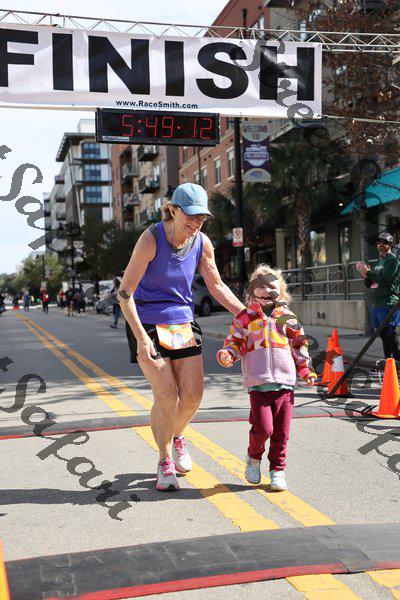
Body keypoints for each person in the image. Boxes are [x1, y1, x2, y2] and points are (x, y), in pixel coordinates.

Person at [119, 183, 245, 492]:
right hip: (147, 321)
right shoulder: (150, 239)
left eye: (201, 218)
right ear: (173, 210)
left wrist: (248, 315)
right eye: (190, 216)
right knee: (166, 395)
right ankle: (164, 460)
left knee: (192, 396)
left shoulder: (202, 242)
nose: (196, 223)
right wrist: (141, 338)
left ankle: (176, 436)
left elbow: (216, 286)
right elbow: (125, 293)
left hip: (182, 323)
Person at [217, 265, 317, 492]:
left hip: (285, 384)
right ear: (252, 291)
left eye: (271, 286)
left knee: (281, 433)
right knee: (263, 429)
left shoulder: (288, 318)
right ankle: (254, 458)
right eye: (260, 286)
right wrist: (228, 354)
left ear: (280, 291)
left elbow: (299, 347)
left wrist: (306, 370)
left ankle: (277, 470)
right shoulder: (245, 318)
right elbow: (235, 342)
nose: (266, 290)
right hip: (258, 383)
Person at [356, 231, 400, 362]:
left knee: (390, 335)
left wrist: (368, 273)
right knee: (383, 336)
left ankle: (397, 363)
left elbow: (384, 280)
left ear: (390, 244)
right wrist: (365, 274)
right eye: (379, 242)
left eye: (384, 242)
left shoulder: (392, 261)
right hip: (376, 304)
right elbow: (370, 284)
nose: (381, 244)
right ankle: (388, 364)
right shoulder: (379, 261)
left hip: (388, 304)